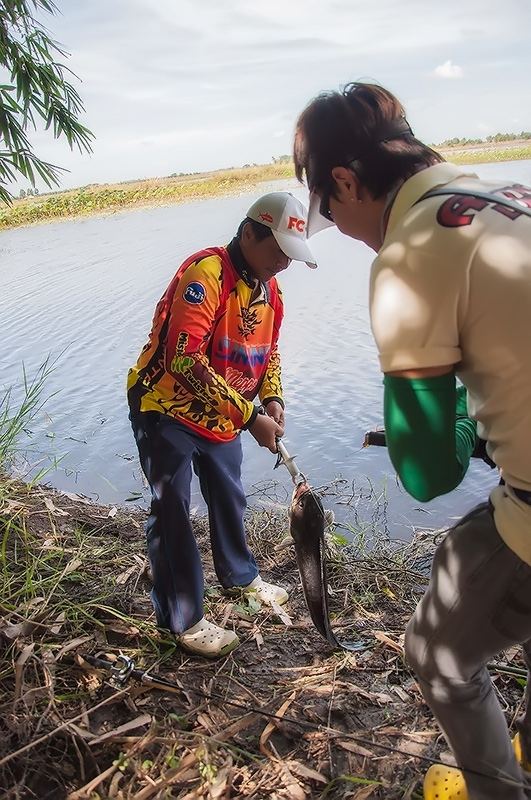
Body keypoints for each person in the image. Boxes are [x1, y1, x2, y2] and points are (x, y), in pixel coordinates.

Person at [293, 81, 531, 799]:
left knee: (435, 652)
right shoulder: (511, 195)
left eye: (332, 212)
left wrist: (457, 423)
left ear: (345, 181)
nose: (346, 229)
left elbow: (426, 473)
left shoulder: (409, 254)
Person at [127, 191, 317, 658]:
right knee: (171, 504)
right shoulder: (206, 275)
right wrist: (250, 415)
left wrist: (271, 398)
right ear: (250, 232)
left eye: (291, 256)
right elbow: (182, 358)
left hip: (221, 410)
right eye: (279, 252)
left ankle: (240, 579)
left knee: (229, 492)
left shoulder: (270, 289)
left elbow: (269, 351)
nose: (284, 264)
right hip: (165, 405)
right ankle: (183, 618)